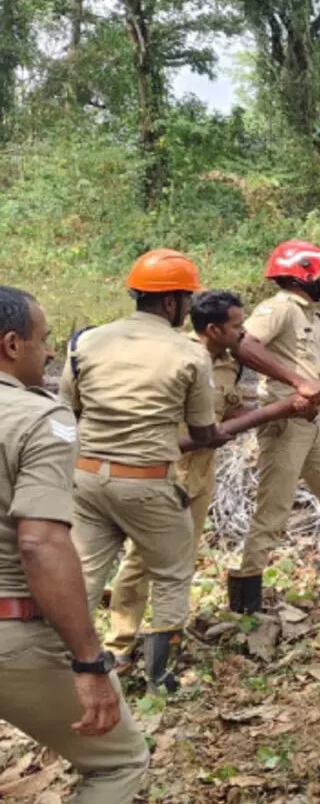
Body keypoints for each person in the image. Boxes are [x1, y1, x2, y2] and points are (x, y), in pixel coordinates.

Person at [0, 285, 150, 804]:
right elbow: (39, 545)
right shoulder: (38, 419)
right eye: (43, 343)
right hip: (13, 634)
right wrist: (89, 663)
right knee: (118, 762)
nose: (48, 357)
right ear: (12, 344)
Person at [104, 290, 319, 663]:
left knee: (183, 557)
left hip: (201, 472)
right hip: (166, 470)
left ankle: (165, 639)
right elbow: (200, 433)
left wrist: (284, 408)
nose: (244, 334)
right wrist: (279, 409)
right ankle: (119, 645)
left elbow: (230, 410)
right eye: (237, 327)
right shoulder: (179, 358)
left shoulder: (226, 363)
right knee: (143, 559)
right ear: (215, 329)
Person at [59, 248, 225, 692]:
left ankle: (63, 673)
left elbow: (67, 410)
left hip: (87, 478)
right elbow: (203, 430)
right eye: (186, 299)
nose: (188, 308)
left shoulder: (85, 341)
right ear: (171, 303)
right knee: (171, 571)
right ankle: (161, 678)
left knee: (84, 575)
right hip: (147, 483)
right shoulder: (188, 353)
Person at [229, 240, 320, 614]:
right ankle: (246, 602)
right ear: (304, 275)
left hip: (310, 425)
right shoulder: (278, 309)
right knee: (273, 512)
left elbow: (311, 368)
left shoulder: (310, 317)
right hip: (284, 423)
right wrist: (295, 382)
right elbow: (243, 345)